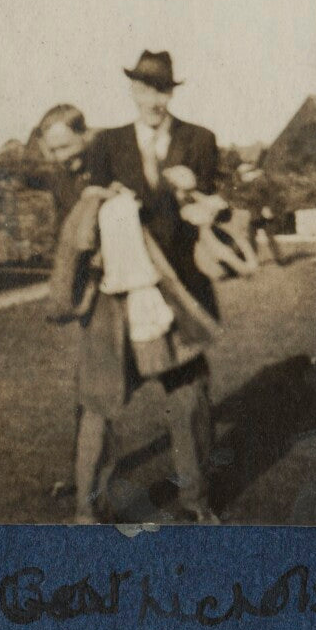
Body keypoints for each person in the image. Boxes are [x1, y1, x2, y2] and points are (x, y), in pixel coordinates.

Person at [81, 50, 221, 523]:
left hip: (182, 290)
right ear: (133, 91)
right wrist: (109, 199)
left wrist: (194, 191)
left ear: (171, 93)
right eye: (146, 89)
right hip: (122, 296)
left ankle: (196, 503)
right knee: (103, 399)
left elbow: (213, 211)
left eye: (162, 90)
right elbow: (92, 206)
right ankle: (89, 507)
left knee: (189, 399)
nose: (154, 100)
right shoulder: (107, 143)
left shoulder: (200, 140)